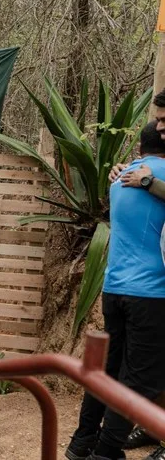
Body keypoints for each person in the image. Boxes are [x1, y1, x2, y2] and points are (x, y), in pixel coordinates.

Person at [66, 121, 165, 460]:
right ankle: (106, 452)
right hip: (151, 292)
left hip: (114, 288)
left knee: (108, 370)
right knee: (139, 379)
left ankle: (82, 443)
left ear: (140, 148)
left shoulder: (120, 179)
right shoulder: (156, 178)